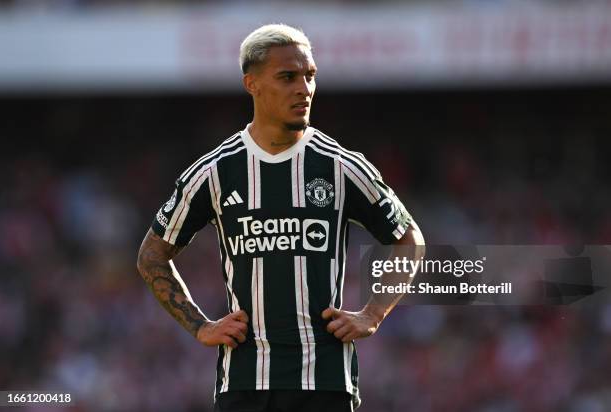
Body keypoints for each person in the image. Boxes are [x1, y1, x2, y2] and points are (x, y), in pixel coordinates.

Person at [137, 23, 425, 412]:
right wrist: (201, 326)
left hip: (325, 384)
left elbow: (409, 240)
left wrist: (372, 314)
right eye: (287, 77)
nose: (303, 89)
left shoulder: (341, 167)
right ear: (251, 83)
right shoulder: (215, 172)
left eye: (310, 77)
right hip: (244, 385)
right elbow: (151, 255)